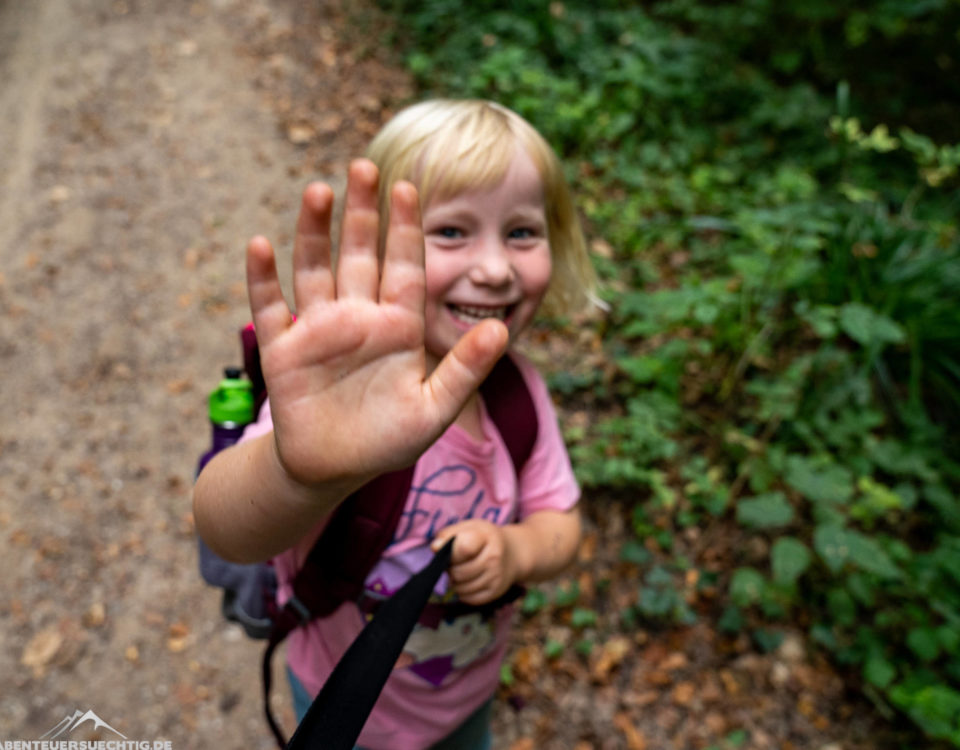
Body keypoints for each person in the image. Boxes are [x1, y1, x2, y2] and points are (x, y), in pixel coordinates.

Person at [193, 99, 596, 750]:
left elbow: (562, 522)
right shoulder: (343, 398)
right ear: (384, 248)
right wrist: (296, 473)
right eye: (451, 232)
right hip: (346, 708)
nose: (494, 268)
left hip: (466, 695)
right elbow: (225, 528)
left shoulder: (519, 396)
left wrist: (518, 551)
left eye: (521, 232)